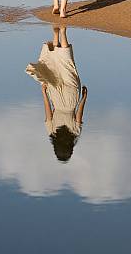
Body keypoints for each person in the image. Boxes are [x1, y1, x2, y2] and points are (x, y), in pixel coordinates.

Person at [26, 26, 88, 162]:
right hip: (57, 99)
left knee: (67, 64)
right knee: (54, 66)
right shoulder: (51, 132)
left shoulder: (75, 133)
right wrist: (44, 93)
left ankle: (63, 32)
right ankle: (55, 36)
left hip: (72, 98)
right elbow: (48, 112)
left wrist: (84, 97)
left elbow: (79, 114)